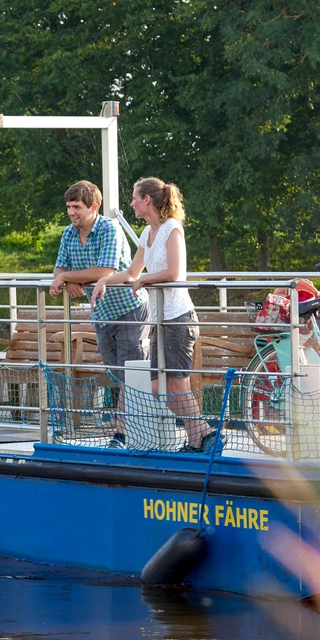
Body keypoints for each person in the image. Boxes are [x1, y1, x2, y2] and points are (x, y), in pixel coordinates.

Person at [92, 177, 217, 453]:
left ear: (147, 200)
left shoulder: (173, 229)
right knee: (158, 385)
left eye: (135, 197)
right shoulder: (147, 234)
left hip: (178, 318)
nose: (132, 203)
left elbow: (174, 272)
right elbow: (131, 273)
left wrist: (145, 281)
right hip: (160, 321)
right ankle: (202, 436)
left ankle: (203, 437)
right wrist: (105, 281)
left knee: (175, 384)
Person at [50, 180, 148, 449]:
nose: (71, 213)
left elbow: (105, 271)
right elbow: (58, 269)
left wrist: (69, 277)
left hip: (129, 307)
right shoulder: (69, 234)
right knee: (117, 374)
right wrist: (66, 279)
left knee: (130, 374)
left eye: (77, 207)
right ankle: (131, 429)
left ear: (93, 207)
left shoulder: (109, 228)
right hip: (102, 313)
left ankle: (123, 435)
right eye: (69, 207)